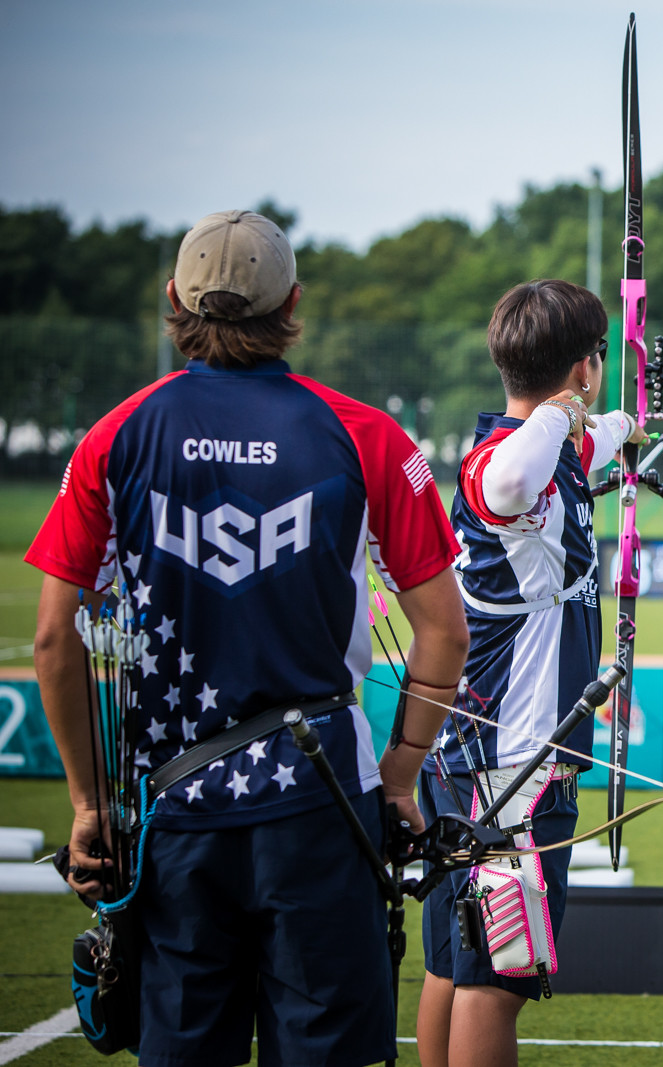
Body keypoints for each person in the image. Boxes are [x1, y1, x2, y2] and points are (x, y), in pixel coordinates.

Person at [28, 209, 468, 1067]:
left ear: (173, 300)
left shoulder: (114, 436)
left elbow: (55, 639)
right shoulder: (368, 434)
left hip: (173, 822)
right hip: (322, 808)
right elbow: (444, 630)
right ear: (293, 301)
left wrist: (89, 807)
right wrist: (402, 779)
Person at [416, 279, 647, 1067]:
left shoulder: (559, 452)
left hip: (484, 755)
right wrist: (566, 407)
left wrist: (623, 419)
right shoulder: (498, 466)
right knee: (497, 975)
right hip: (509, 763)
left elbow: (597, 438)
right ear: (582, 368)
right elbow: (516, 479)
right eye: (596, 363)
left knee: (456, 958)